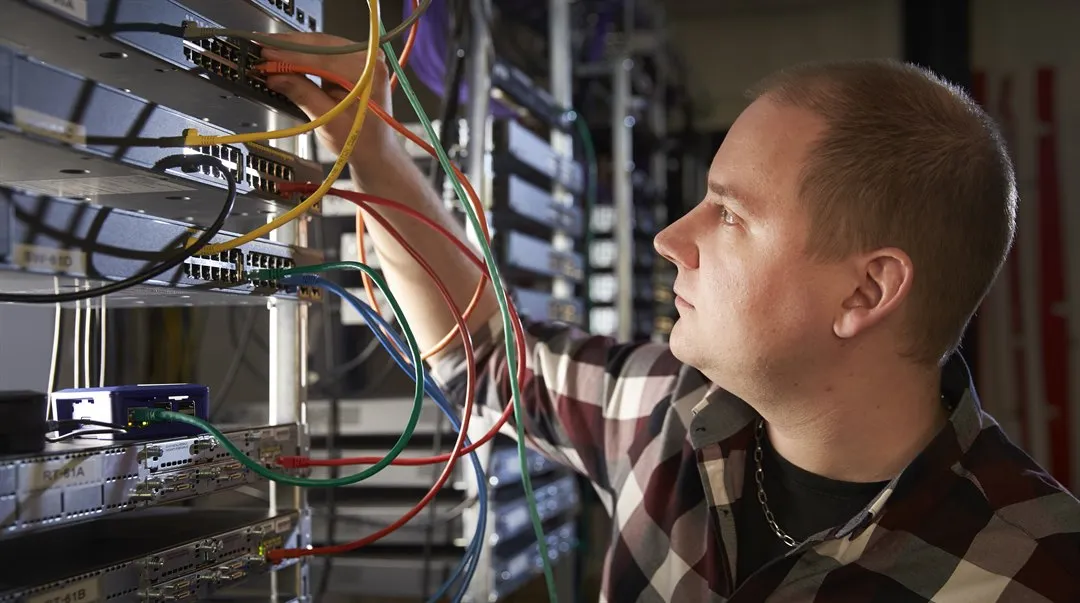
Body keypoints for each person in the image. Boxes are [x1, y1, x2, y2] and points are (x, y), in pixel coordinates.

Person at [263, 33, 1080, 602]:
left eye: (729, 213)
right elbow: (484, 352)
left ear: (866, 292)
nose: (668, 239)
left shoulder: (1033, 573)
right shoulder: (670, 413)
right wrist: (370, 148)